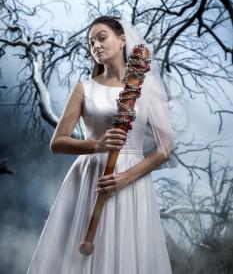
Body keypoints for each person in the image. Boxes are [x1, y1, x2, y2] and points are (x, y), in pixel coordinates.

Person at [27, 16, 176, 273]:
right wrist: (96, 144)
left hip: (131, 182)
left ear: (122, 40)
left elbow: (165, 149)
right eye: (91, 42)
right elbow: (57, 143)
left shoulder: (146, 88)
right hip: (89, 179)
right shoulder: (84, 88)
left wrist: (125, 178)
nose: (95, 45)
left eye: (102, 37)